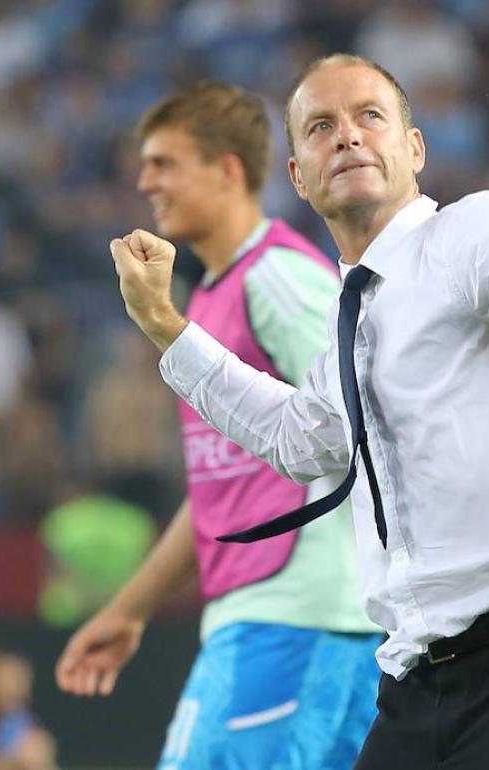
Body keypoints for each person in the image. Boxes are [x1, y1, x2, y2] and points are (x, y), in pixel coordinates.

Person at [107, 53, 489, 770]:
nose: (348, 136)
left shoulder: (469, 235)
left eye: (370, 116)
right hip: (416, 682)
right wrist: (168, 331)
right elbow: (302, 440)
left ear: (414, 148)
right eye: (322, 126)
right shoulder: (352, 315)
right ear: (298, 175)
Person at [54, 81, 382, 770]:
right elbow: (218, 494)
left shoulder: (283, 280)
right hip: (270, 616)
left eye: (164, 163)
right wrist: (131, 609)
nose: (145, 182)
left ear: (228, 170)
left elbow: (367, 426)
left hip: (304, 615)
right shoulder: (213, 296)